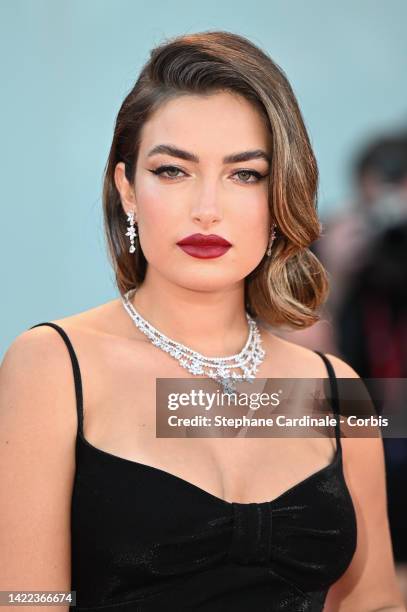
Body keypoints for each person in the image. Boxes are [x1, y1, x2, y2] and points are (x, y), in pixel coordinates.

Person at [0, 30, 405, 612]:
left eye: (245, 174)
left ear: (279, 196)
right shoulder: (54, 365)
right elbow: (26, 602)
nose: (207, 208)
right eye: (172, 171)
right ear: (127, 189)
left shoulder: (335, 392)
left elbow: (375, 603)